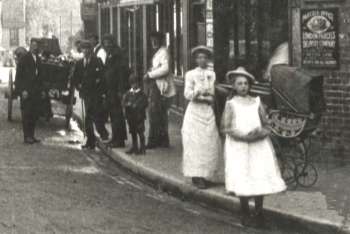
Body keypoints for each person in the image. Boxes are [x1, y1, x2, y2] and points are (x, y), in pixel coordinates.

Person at [220, 67, 286, 227]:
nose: (243, 86)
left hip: (258, 145)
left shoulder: (256, 102)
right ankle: (245, 212)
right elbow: (226, 127)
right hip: (240, 145)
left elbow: (266, 124)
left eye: (245, 83)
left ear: (249, 85)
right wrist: (244, 136)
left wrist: (259, 134)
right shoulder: (231, 104)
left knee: (259, 175)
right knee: (243, 176)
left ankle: (259, 212)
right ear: (234, 86)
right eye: (239, 84)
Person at [182, 46, 221, 190]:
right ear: (195, 59)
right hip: (195, 112)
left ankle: (205, 175)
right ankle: (196, 176)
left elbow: (212, 94)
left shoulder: (212, 74)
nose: (202, 60)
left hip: (207, 111)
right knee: (195, 143)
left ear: (208, 59)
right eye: (199, 57)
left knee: (208, 141)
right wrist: (197, 92)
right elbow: (187, 94)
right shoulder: (190, 74)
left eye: (204, 57)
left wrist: (209, 97)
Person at [73, 41, 109, 149]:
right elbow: (75, 78)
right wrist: (79, 87)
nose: (85, 51)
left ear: (91, 50)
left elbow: (102, 77)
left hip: (96, 93)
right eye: (83, 48)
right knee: (88, 116)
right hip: (86, 93)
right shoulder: (79, 63)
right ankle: (91, 140)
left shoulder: (97, 62)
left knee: (95, 115)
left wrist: (102, 91)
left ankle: (102, 133)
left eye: (88, 48)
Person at [143, 31, 176, 149]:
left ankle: (154, 141)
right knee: (159, 114)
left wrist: (150, 75)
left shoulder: (163, 52)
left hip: (160, 86)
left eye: (156, 39)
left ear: (161, 40)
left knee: (154, 113)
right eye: (152, 40)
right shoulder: (158, 53)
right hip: (157, 85)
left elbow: (165, 69)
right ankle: (162, 140)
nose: (154, 42)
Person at [15, 39, 45, 144]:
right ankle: (26, 136)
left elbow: (41, 77)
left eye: (36, 46)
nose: (34, 47)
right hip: (26, 92)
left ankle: (32, 135)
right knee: (26, 114)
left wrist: (42, 90)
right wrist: (22, 90)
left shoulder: (38, 59)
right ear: (30, 46)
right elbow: (18, 77)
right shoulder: (24, 58)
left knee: (34, 114)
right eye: (33, 45)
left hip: (35, 92)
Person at [102, 34, 130, 148]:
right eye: (105, 42)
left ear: (112, 42)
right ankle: (115, 137)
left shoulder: (117, 54)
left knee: (117, 114)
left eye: (109, 42)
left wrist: (120, 90)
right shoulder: (110, 54)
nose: (107, 44)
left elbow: (122, 73)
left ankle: (119, 139)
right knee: (113, 114)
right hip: (110, 89)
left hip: (116, 89)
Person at [122, 73, 148, 155]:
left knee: (140, 132)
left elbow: (145, 103)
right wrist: (127, 104)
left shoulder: (141, 94)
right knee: (133, 132)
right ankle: (135, 147)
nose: (134, 85)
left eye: (135, 83)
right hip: (131, 117)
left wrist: (137, 105)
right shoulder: (128, 93)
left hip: (139, 117)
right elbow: (123, 102)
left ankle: (142, 148)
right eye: (132, 83)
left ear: (138, 83)